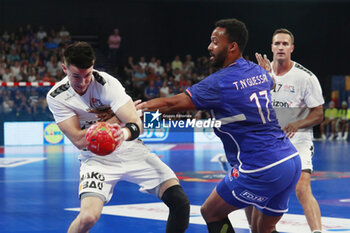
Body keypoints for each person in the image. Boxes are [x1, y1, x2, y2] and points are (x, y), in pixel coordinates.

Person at [137, 19, 301, 233]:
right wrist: (268, 74)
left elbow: (171, 103)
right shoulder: (257, 71)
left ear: (232, 46)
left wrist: (135, 109)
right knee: (262, 230)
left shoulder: (220, 82)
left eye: (215, 42)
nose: (209, 47)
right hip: (290, 160)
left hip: (260, 166)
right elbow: (270, 83)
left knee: (211, 212)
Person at [46, 42, 189, 233]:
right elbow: (80, 141)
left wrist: (122, 132)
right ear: (64, 69)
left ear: (93, 66)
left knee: (180, 202)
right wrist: (115, 118)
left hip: (130, 149)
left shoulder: (107, 83)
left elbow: (136, 123)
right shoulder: (57, 96)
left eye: (87, 75)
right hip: (95, 158)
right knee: (88, 217)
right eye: (75, 76)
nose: (82, 82)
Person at [250, 28, 324, 233]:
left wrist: (296, 124)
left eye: (285, 44)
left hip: (298, 139)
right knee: (256, 188)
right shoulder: (260, 75)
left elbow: (318, 114)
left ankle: (317, 231)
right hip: (270, 142)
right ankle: (255, 229)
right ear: (271, 47)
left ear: (291, 48)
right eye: (277, 43)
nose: (281, 47)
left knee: (301, 187)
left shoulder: (306, 77)